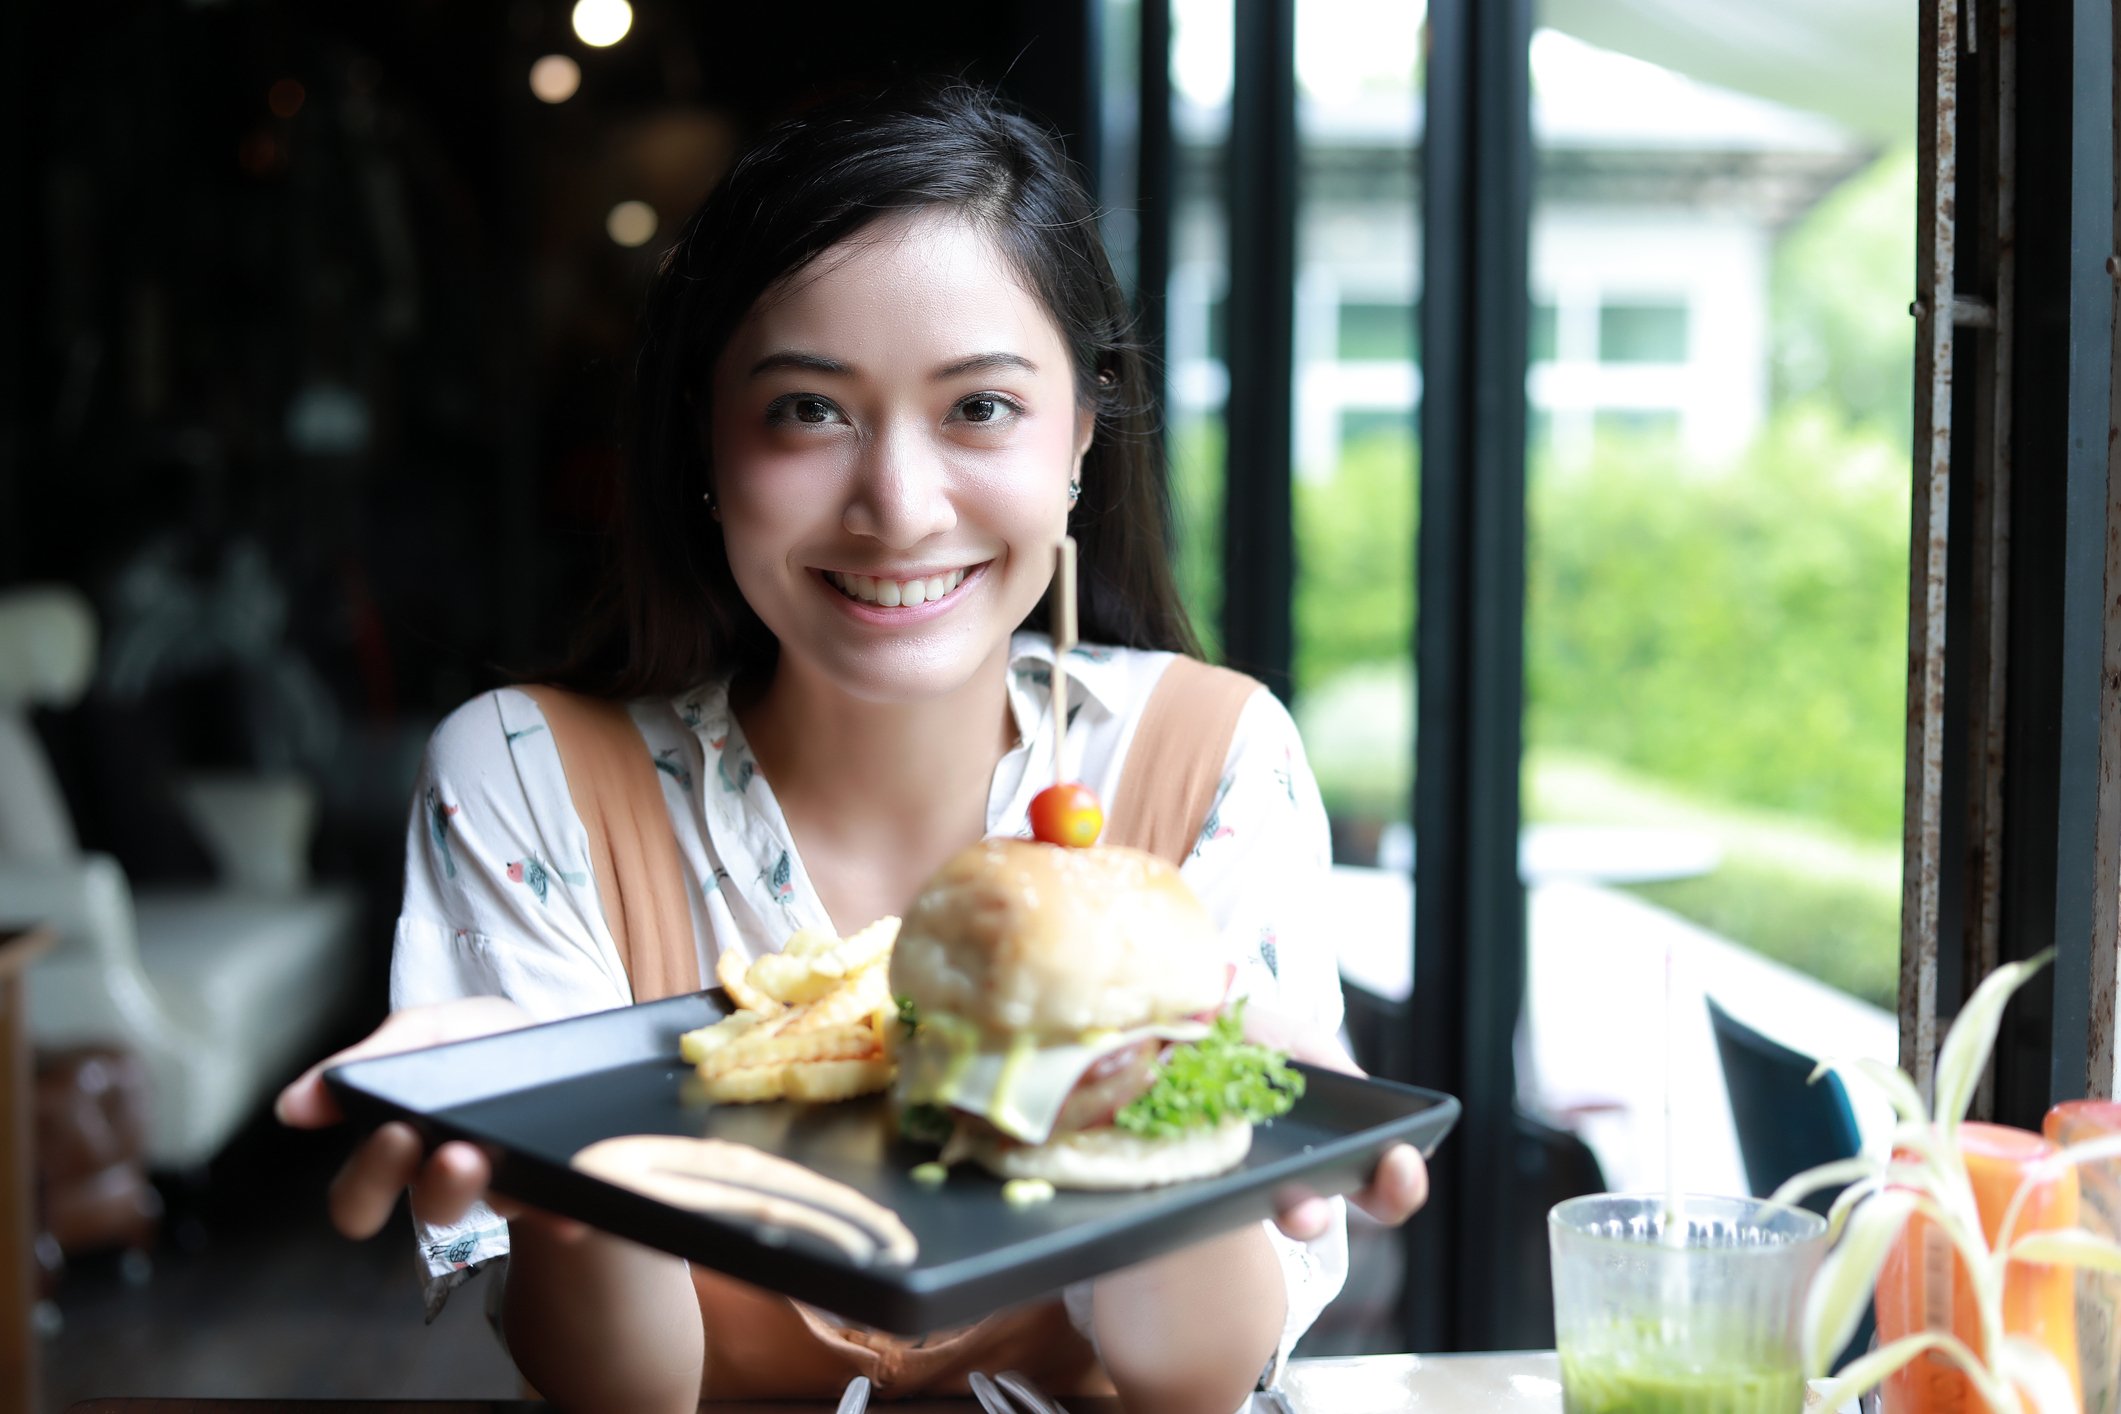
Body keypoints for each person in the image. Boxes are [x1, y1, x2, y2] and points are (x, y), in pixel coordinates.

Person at [275, 83, 1428, 1413]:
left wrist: (1182, 1111)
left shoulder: (1207, 756)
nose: (897, 504)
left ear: (1082, 433)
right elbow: (626, 1393)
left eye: (980, 408)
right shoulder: (526, 780)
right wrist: (563, 1150)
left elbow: (1189, 1380)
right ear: (707, 436)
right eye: (808, 410)